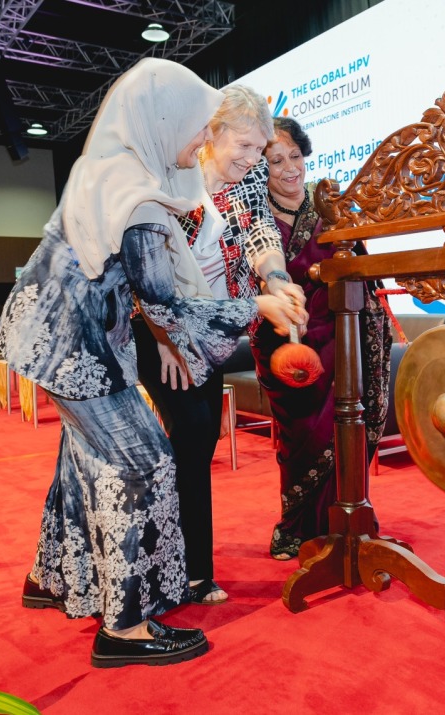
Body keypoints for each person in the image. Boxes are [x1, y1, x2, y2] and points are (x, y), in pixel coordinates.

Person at [0, 59, 304, 668]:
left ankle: (53, 577)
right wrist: (258, 306)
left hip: (58, 335)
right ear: (166, 119)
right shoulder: (135, 192)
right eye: (202, 127)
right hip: (72, 343)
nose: (201, 139)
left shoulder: (122, 169)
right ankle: (126, 628)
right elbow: (167, 298)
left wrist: (264, 284)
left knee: (83, 460)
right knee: (144, 460)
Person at [133, 85, 307, 604]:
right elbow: (145, 268)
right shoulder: (168, 178)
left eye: (262, 151)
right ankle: (169, 567)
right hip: (155, 325)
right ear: (212, 134)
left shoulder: (246, 179)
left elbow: (259, 233)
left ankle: (194, 569)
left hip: (211, 326)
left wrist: (275, 278)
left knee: (202, 434)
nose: (257, 161)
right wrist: (162, 334)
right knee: (188, 427)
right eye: (248, 147)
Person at [258, 117, 392, 559]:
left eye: (294, 156)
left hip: (343, 339)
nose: (289, 168)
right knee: (302, 438)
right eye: (275, 161)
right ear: (261, 169)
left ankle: (350, 515)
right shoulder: (254, 220)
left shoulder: (331, 207)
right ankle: (295, 525)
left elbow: (364, 271)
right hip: (286, 342)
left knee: (348, 429)